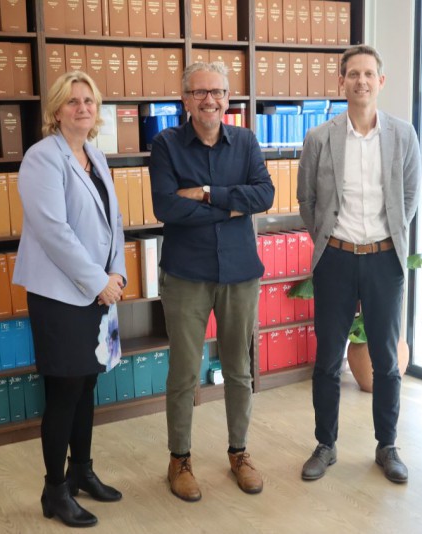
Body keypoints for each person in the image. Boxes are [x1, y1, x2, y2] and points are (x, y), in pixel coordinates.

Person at [149, 62, 275, 502]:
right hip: (186, 274)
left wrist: (205, 194)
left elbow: (264, 195)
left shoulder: (246, 141)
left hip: (240, 272)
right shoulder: (166, 145)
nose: (210, 100)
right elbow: (166, 207)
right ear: (185, 98)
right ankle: (179, 459)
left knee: (239, 367)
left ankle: (239, 453)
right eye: (200, 92)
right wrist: (232, 206)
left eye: (218, 92)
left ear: (227, 98)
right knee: (184, 370)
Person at [296, 44, 421, 484]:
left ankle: (387, 446)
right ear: (342, 81)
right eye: (353, 74)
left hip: (384, 260)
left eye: (369, 74)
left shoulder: (403, 135)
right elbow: (307, 201)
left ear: (380, 82)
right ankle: (325, 445)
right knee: (328, 359)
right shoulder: (319, 138)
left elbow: (409, 197)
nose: (361, 81)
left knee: (386, 360)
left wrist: (387, 239)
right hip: (336, 259)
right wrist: (330, 242)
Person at [13, 71, 126, 528]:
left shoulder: (95, 156)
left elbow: (115, 221)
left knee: (87, 385)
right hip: (60, 294)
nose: (83, 108)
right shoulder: (42, 158)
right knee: (64, 391)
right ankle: (54, 489)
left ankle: (82, 471)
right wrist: (98, 280)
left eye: (89, 101)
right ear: (56, 111)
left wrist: (117, 271)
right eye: (73, 101)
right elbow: (53, 231)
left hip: (99, 290)